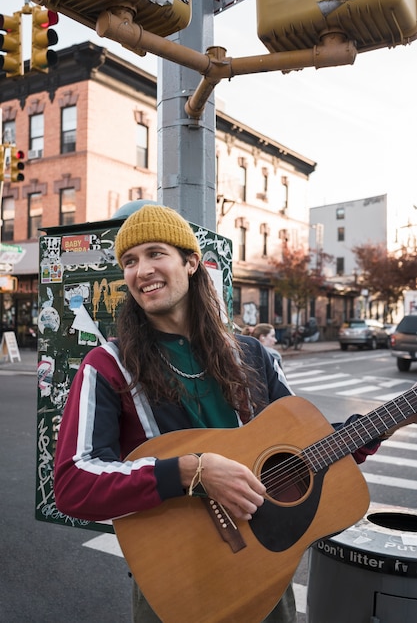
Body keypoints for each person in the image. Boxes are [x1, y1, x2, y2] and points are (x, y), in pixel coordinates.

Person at [54, 204, 382, 623]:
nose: (141, 271)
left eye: (156, 253)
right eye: (130, 261)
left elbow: (305, 450)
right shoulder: (107, 365)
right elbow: (73, 483)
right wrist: (192, 471)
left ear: (190, 262)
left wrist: (371, 429)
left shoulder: (252, 355)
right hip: (177, 581)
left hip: (266, 571)